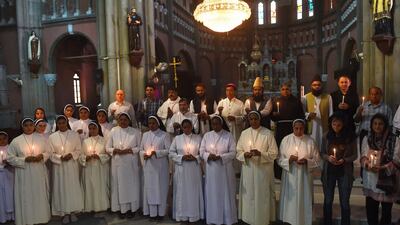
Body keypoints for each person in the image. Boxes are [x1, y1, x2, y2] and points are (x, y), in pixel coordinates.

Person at [236, 111, 278, 225]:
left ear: (260, 120)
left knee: (262, 196)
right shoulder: (244, 133)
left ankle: (262, 219)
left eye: (256, 119)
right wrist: (245, 154)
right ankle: (248, 219)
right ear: (248, 121)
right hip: (249, 170)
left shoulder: (268, 133)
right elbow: (238, 151)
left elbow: (274, 153)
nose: (253, 121)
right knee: (249, 195)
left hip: (262, 171)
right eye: (251, 119)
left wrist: (261, 154)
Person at [7, 118, 51, 225]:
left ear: (34, 126)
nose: (29, 127)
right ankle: (27, 220)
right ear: (22, 127)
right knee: (26, 196)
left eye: (31, 125)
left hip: (38, 171)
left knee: (39, 195)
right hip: (24, 173)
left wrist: (42, 156)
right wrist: (24, 159)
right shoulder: (16, 141)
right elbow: (10, 158)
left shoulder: (41, 139)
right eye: (26, 125)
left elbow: (48, 152)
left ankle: (41, 218)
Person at [278, 119, 320, 225]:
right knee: (290, 201)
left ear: (304, 128)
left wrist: (307, 161)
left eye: (301, 128)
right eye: (296, 128)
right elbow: (279, 159)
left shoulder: (310, 141)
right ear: (293, 128)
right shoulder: (286, 140)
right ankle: (289, 219)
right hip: (290, 176)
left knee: (304, 199)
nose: (298, 130)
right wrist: (289, 160)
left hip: (305, 177)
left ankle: (304, 220)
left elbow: (317, 160)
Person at [360, 114, 400, 225]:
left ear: (386, 125)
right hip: (371, 179)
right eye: (375, 123)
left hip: (386, 180)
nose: (377, 126)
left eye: (380, 124)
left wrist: (383, 168)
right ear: (372, 125)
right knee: (371, 210)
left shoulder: (394, 139)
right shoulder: (367, 138)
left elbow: (397, 159)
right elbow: (363, 156)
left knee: (386, 212)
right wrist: (367, 164)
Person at [321, 113, 357, 225]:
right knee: (328, 200)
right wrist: (328, 158)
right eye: (334, 124)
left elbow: (355, 155)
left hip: (344, 172)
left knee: (345, 201)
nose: (336, 126)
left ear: (343, 124)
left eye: (339, 124)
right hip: (329, 171)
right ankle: (327, 222)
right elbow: (321, 153)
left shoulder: (350, 137)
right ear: (330, 124)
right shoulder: (326, 136)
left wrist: (344, 160)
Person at [200, 115, 237, 225]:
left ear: (221, 124)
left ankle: (227, 219)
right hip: (211, 170)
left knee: (226, 193)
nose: (215, 126)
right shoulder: (207, 135)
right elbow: (201, 151)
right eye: (213, 124)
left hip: (225, 170)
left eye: (217, 123)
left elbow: (233, 152)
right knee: (212, 193)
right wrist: (208, 156)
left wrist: (221, 157)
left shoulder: (228, 135)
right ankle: (213, 219)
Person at [49, 115, 84, 223]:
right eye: (59, 123)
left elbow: (79, 150)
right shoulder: (52, 137)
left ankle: (73, 211)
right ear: (57, 124)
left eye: (63, 123)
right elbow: (50, 153)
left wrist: (71, 155)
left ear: (66, 123)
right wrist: (60, 157)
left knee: (72, 188)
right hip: (59, 167)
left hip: (71, 166)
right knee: (61, 189)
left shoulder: (74, 135)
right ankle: (64, 213)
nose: (61, 125)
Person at [106, 113, 141, 218]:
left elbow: (140, 147)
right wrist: (114, 150)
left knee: (131, 185)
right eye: (121, 119)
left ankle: (132, 209)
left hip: (130, 162)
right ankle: (121, 210)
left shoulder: (136, 132)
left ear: (129, 120)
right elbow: (107, 147)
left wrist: (130, 150)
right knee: (119, 186)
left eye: (125, 119)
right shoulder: (113, 131)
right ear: (118, 120)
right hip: (118, 162)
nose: (123, 121)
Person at [169, 119, 204, 222]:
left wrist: (196, 158)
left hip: (194, 170)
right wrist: (181, 158)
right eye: (184, 127)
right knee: (182, 192)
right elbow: (171, 153)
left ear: (192, 127)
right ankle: (182, 216)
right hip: (181, 170)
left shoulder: (198, 138)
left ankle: (194, 216)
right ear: (182, 128)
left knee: (193, 192)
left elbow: (202, 153)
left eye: (188, 127)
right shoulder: (177, 138)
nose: (186, 129)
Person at [271, 83, 305, 179]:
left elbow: (301, 116)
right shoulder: (276, 101)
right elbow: (272, 117)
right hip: (281, 128)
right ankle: (279, 172)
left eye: (287, 89)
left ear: (290, 90)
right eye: (283, 89)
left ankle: (294, 169)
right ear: (280, 90)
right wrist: (275, 115)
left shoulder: (296, 101)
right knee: (280, 149)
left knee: (292, 148)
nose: (285, 91)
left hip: (292, 129)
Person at [140, 116, 171, 220]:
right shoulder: (145, 135)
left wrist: (156, 153)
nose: (151, 125)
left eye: (153, 123)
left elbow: (168, 150)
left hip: (161, 167)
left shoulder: (164, 135)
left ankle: (161, 214)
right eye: (150, 123)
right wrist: (144, 154)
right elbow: (140, 149)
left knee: (161, 189)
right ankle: (152, 214)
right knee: (151, 189)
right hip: (149, 167)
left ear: (158, 123)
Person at [80, 121, 110, 213]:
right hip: (89, 168)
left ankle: (101, 206)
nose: (92, 130)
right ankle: (90, 207)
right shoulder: (85, 141)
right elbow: (80, 156)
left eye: (94, 128)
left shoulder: (104, 140)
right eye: (90, 129)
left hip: (100, 168)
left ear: (98, 129)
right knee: (90, 186)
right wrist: (86, 158)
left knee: (100, 187)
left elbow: (108, 155)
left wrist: (99, 156)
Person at [302, 75, 333, 150]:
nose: (317, 86)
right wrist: (308, 115)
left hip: (324, 126)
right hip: (311, 127)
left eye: (319, 85)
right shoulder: (305, 97)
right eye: (314, 85)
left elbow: (331, 113)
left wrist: (330, 127)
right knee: (312, 147)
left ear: (322, 86)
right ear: (311, 86)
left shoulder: (328, 97)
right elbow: (302, 112)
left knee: (323, 147)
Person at [0, 131, 14, 223]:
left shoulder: (11, 148)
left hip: (11, 175)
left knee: (11, 194)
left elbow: (15, 160)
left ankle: (12, 216)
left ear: (7, 138)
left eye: (4, 138)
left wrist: (10, 163)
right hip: (1, 176)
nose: (2, 141)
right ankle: (3, 217)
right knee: (2, 196)